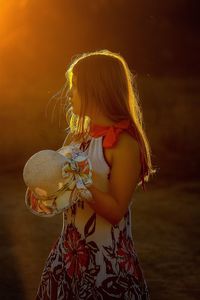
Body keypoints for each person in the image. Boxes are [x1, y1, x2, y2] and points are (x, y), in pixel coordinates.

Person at [35, 49, 156, 299]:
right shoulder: (75, 139)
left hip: (107, 262)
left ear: (96, 90)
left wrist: (78, 183)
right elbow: (60, 199)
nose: (69, 94)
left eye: (75, 86)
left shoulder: (123, 144)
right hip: (67, 256)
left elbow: (115, 212)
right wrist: (43, 189)